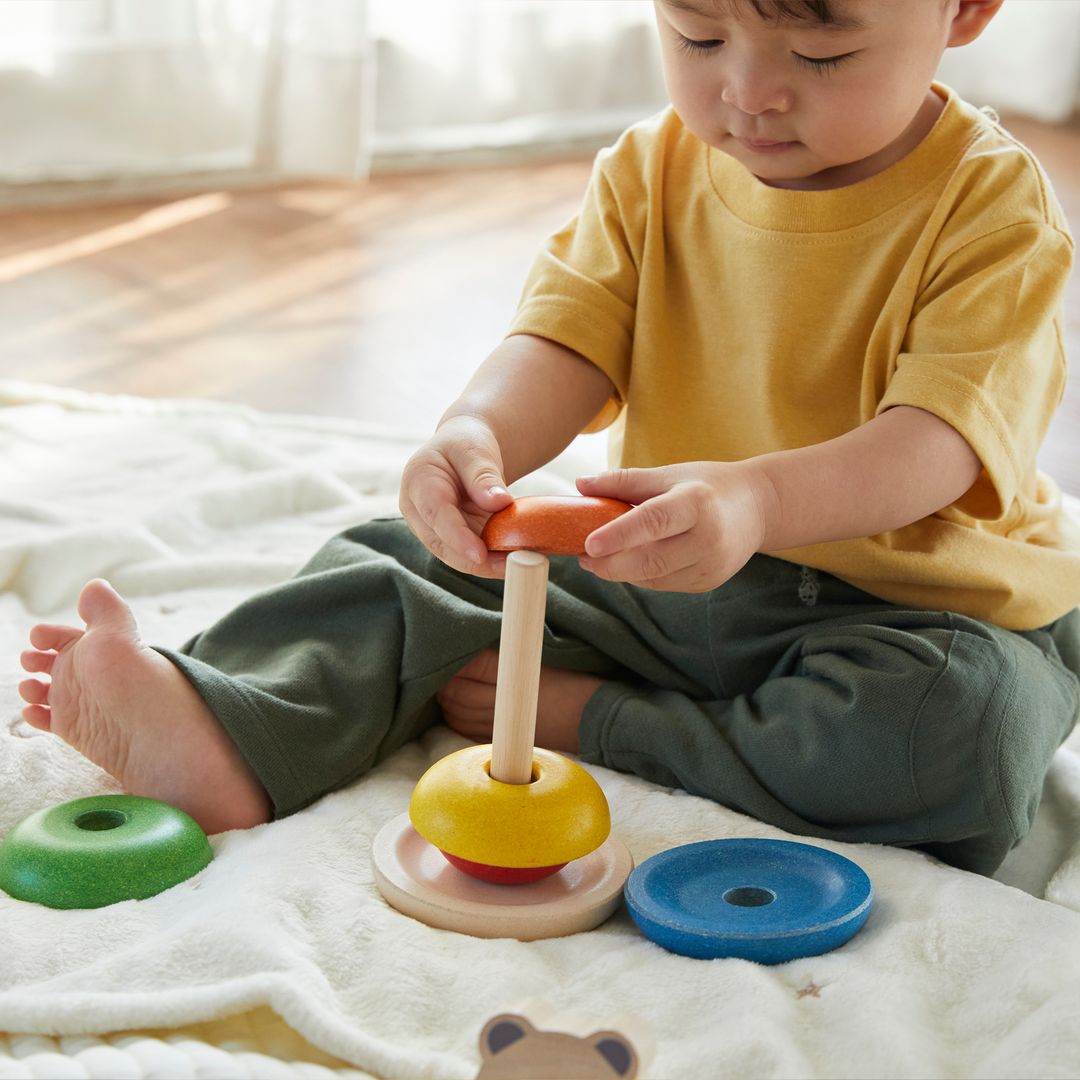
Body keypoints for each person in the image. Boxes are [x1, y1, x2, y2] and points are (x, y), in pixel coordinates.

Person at [18, 0, 1080, 875]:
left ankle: (619, 724)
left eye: (821, 50)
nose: (749, 90)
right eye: (698, 35)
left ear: (966, 11)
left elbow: (931, 444)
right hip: (661, 571)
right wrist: (474, 432)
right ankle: (230, 721)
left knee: (963, 734)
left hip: (905, 609)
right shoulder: (651, 169)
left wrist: (757, 503)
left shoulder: (992, 211)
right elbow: (566, 343)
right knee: (404, 566)